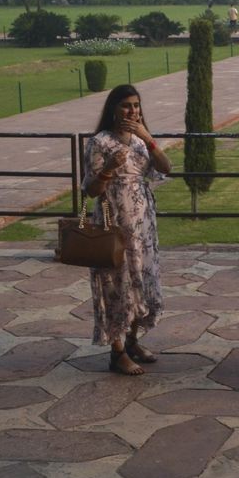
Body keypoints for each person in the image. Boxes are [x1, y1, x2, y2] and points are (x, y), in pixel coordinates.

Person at [82, 85, 172, 376]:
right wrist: (108, 169)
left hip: (142, 223)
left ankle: (132, 341)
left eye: (136, 105)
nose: (132, 111)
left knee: (141, 281)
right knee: (117, 284)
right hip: (115, 222)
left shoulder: (140, 140)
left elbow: (166, 168)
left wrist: (149, 139)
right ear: (113, 109)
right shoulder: (100, 142)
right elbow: (91, 190)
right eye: (125, 106)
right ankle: (117, 351)